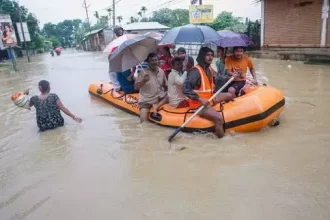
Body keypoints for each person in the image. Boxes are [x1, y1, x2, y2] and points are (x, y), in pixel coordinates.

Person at [183, 47, 234, 138]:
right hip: (199, 104)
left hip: (210, 98)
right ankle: (222, 140)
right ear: (202, 56)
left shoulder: (209, 69)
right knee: (218, 119)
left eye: (211, 55)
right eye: (207, 55)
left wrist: (231, 76)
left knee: (230, 95)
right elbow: (186, 89)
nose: (210, 57)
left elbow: (219, 78)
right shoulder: (195, 72)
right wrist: (200, 99)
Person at [134, 52, 168, 123]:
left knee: (170, 95)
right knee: (143, 123)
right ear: (148, 62)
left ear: (158, 61)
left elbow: (166, 86)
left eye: (155, 60)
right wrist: (144, 81)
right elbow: (136, 87)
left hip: (159, 99)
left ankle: (157, 106)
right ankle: (154, 107)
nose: (154, 62)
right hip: (146, 101)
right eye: (152, 60)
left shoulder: (161, 72)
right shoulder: (143, 73)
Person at [109, 26, 125, 91]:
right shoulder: (123, 39)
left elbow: (113, 50)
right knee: (114, 72)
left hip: (120, 57)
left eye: (120, 30)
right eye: (119, 30)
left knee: (112, 72)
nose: (120, 31)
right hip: (121, 57)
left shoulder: (117, 41)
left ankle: (117, 87)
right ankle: (119, 85)